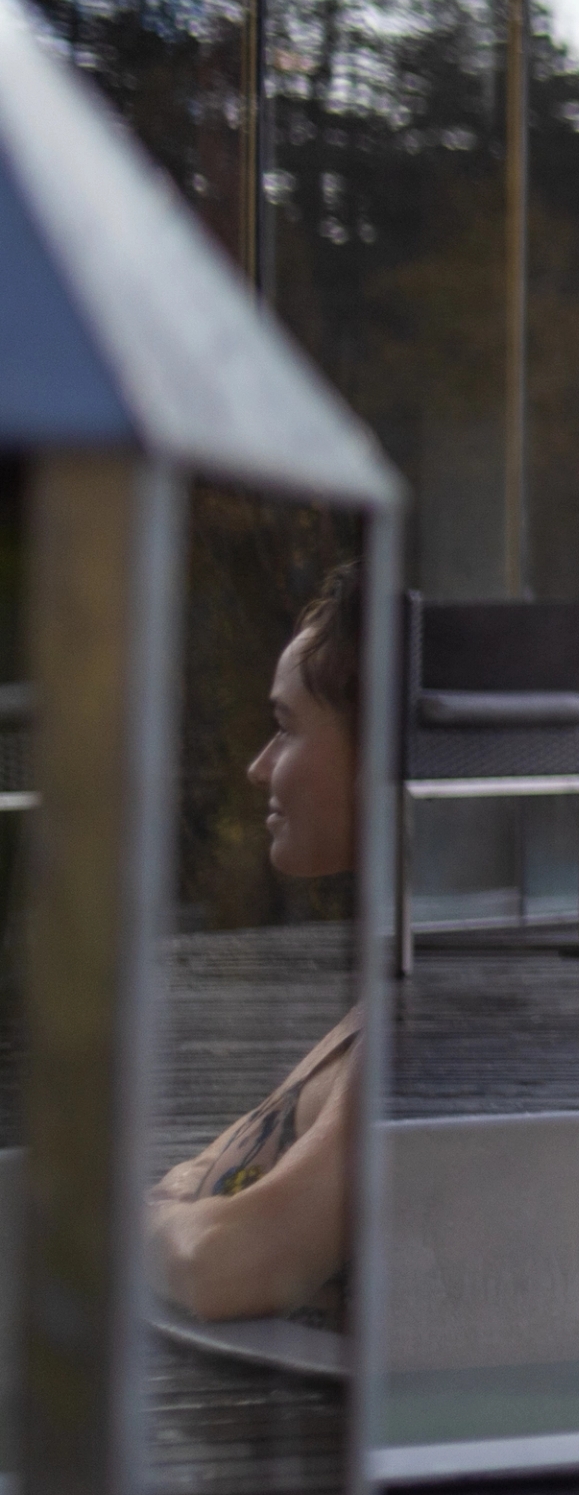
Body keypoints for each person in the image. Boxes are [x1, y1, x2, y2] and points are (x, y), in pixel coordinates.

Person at [149, 565, 366, 1323]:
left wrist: (130, 1218)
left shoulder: (417, 1030)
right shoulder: (387, 1001)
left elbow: (230, 1264)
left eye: (285, 728)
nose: (258, 768)